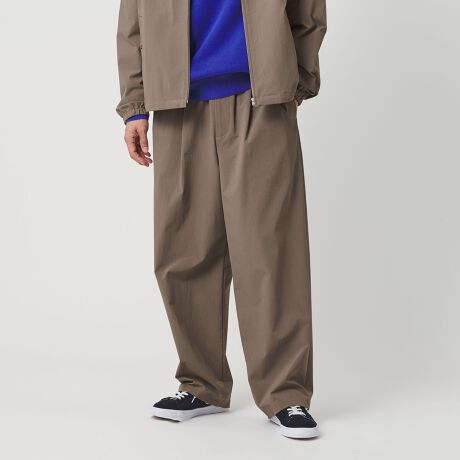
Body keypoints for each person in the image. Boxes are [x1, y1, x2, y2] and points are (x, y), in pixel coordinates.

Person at [116, 0, 326, 439]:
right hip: (177, 101)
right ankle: (201, 383)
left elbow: (308, 10)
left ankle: (285, 393)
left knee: (271, 251)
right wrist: (135, 104)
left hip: (259, 97)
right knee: (183, 249)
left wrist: (298, 79)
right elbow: (133, 20)